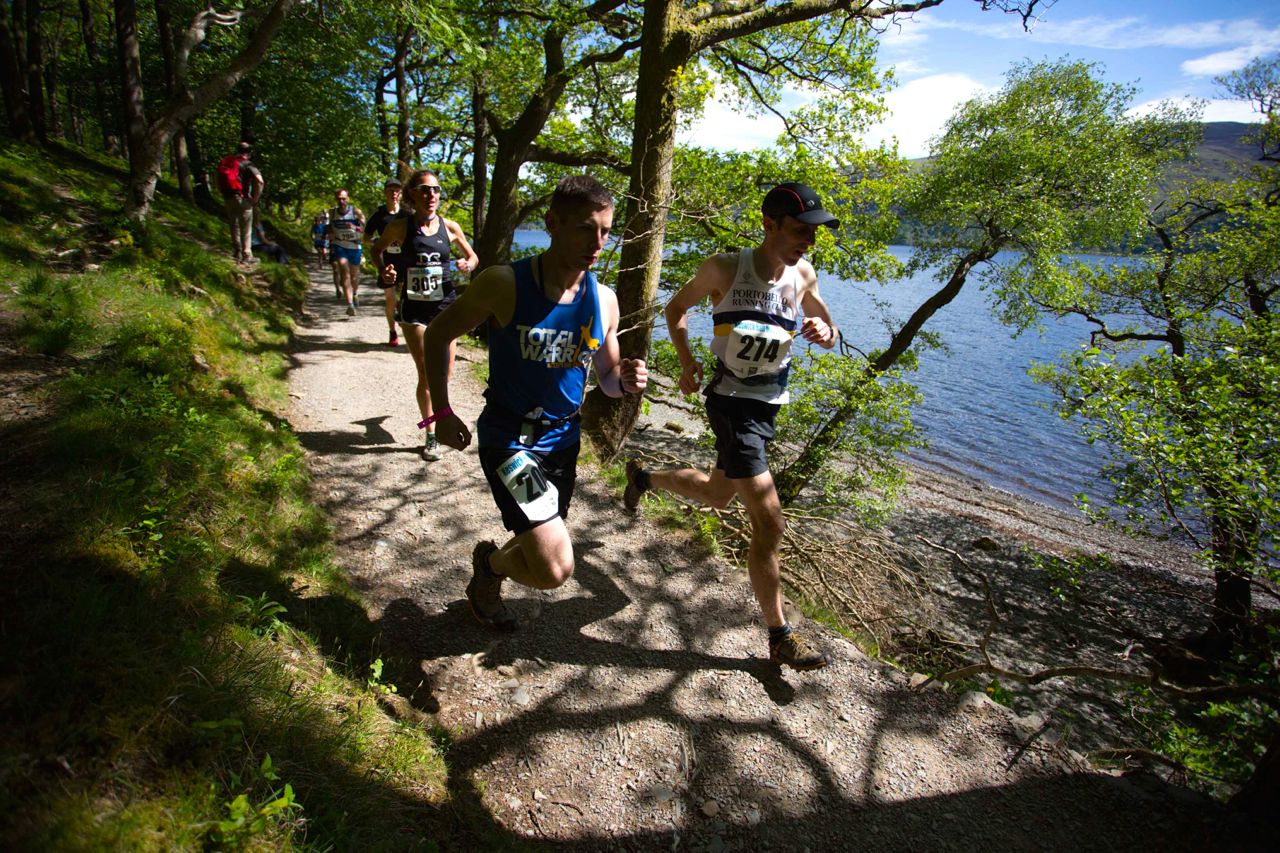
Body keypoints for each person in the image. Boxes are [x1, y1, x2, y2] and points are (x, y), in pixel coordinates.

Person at [621, 181, 840, 672]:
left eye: (815, 232)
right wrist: (685, 361)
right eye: (801, 230)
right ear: (770, 224)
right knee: (770, 522)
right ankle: (780, 635)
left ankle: (644, 479)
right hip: (731, 403)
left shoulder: (803, 275)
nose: (809, 240)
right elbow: (676, 309)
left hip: (769, 407)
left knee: (719, 495)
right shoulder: (724, 268)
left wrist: (824, 332)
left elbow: (830, 330)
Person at [421, 174, 647, 630]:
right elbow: (440, 333)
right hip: (511, 442)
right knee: (554, 568)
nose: (597, 242)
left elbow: (604, 377)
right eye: (586, 228)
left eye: (606, 230)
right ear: (552, 224)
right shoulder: (505, 283)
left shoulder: (603, 300)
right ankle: (490, 569)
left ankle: (489, 568)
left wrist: (625, 380)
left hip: (563, 443)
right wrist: (440, 412)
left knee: (538, 542)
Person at [372, 170, 479, 460]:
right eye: (424, 190)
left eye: (436, 190)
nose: (431, 195)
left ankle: (435, 422)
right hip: (414, 310)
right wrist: (385, 270)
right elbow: (377, 250)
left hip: (446, 309)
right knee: (428, 374)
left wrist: (466, 265)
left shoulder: (451, 226)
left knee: (445, 375)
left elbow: (473, 257)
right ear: (413, 194)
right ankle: (431, 433)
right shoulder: (399, 227)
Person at [363, 177, 407, 346]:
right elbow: (366, 238)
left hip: (405, 262)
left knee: (405, 298)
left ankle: (408, 325)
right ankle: (392, 331)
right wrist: (380, 243)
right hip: (386, 262)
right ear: (385, 193)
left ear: (401, 194)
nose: (394, 194)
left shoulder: (406, 215)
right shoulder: (379, 215)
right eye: (391, 190)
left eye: (397, 191)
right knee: (390, 298)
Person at [218, 141, 264, 265]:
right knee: (246, 228)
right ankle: (247, 255)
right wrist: (255, 199)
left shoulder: (229, 162)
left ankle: (236, 251)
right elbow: (260, 181)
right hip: (243, 199)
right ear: (249, 153)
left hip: (228, 197)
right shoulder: (248, 164)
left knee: (234, 225)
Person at [327, 189, 365, 316]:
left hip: (354, 246)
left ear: (348, 198)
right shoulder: (332, 212)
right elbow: (329, 226)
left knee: (354, 276)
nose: (341, 201)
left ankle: (354, 293)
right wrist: (330, 233)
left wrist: (355, 227)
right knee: (344, 272)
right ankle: (350, 305)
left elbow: (366, 229)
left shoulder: (355, 212)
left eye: (343, 198)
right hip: (339, 245)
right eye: (339, 198)